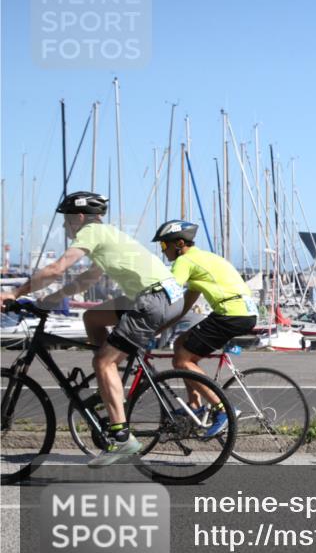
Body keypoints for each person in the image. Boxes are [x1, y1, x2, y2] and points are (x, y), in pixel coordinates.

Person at [0, 192, 185, 466]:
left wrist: (15, 292)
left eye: (67, 220)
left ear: (80, 217)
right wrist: (49, 300)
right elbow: (88, 279)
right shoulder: (108, 234)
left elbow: (56, 268)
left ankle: (122, 438)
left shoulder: (91, 232)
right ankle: (110, 387)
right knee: (92, 318)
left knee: (102, 361)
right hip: (164, 296)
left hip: (152, 299)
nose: (65, 227)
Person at [153, 220, 257, 436]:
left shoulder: (184, 262)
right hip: (244, 312)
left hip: (230, 313)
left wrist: (145, 318)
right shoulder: (204, 258)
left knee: (182, 361)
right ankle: (194, 405)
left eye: (164, 246)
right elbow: (184, 305)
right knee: (181, 344)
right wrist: (162, 327)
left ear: (179, 243)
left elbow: (169, 293)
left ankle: (223, 410)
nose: (163, 251)